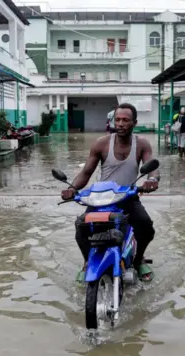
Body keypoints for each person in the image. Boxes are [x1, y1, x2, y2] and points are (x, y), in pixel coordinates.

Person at [61, 103, 160, 283]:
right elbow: (86, 172)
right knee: (81, 228)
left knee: (146, 226)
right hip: (101, 198)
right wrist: (72, 189)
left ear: (134, 123)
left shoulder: (142, 144)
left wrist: (152, 180)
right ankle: (87, 261)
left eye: (125, 120)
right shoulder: (101, 143)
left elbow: (151, 167)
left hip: (128, 196)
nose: (120, 124)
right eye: (118, 120)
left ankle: (138, 260)